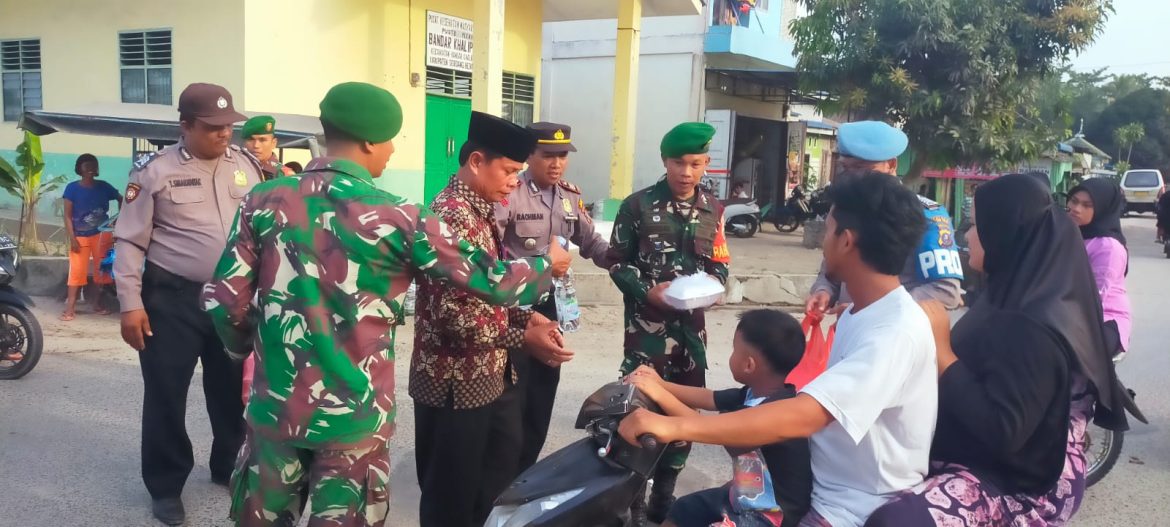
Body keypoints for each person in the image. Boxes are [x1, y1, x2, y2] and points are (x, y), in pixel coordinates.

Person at [202, 84, 568, 527]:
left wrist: (249, 352)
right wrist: (546, 264)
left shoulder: (262, 200)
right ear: (370, 142)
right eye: (391, 140)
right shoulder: (400, 217)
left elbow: (224, 301)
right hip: (354, 422)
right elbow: (492, 281)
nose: (392, 151)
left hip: (275, 413)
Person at [619, 171, 939, 527]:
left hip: (847, 509)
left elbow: (804, 414)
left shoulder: (894, 332)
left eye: (828, 229)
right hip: (810, 485)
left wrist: (674, 427)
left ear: (846, 241)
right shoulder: (859, 313)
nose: (822, 242)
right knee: (689, 511)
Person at [865, 173, 1137, 526]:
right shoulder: (1011, 290)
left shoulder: (1033, 323)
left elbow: (1002, 430)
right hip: (991, 453)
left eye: (977, 225)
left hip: (1020, 481)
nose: (967, 236)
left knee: (894, 520)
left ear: (1005, 231)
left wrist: (945, 354)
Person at [113, 82, 263, 525]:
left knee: (230, 391)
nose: (224, 134)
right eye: (213, 127)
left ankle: (226, 466)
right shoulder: (154, 171)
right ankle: (165, 486)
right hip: (171, 299)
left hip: (232, 300)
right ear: (185, 126)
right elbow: (129, 240)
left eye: (229, 126)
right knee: (166, 394)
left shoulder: (248, 168)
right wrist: (129, 304)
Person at [411, 111, 571, 527]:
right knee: (452, 498)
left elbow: (488, 293)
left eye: (518, 171)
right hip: (453, 381)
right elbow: (454, 315)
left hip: (488, 375)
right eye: (509, 170)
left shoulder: (480, 208)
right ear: (476, 161)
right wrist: (523, 337)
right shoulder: (451, 216)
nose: (515, 181)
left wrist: (528, 320)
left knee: (493, 486)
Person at [606, 121, 732, 525]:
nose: (687, 172)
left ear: (706, 164)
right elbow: (617, 262)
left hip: (691, 335)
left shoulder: (714, 209)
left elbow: (719, 263)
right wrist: (648, 292)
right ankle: (634, 499)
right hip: (646, 334)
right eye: (679, 162)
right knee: (637, 411)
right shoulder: (637, 205)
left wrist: (714, 287)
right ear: (665, 161)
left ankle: (664, 495)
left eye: (696, 163)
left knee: (682, 418)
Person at [494, 121, 610, 471]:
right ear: (530, 155)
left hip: (552, 306)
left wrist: (628, 264)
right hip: (514, 306)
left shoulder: (570, 196)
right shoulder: (510, 193)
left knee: (542, 394)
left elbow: (592, 243)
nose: (557, 163)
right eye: (548, 155)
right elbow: (491, 252)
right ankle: (503, 471)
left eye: (562, 155)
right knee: (510, 394)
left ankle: (526, 469)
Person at [627, 309, 812, 527]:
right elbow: (708, 398)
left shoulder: (776, 412)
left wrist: (659, 394)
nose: (731, 355)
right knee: (685, 508)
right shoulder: (753, 393)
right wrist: (661, 383)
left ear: (749, 365)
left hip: (770, 515)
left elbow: (706, 428)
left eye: (734, 350)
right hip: (742, 495)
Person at [807, 121, 963, 314]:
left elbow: (946, 291)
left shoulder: (926, 214)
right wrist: (824, 291)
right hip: (849, 330)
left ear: (891, 164)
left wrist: (872, 310)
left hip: (898, 334)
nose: (853, 177)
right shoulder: (845, 208)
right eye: (845, 168)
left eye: (861, 167)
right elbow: (832, 265)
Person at [1066, 178, 1132, 357]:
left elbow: (1094, 297)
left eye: (1087, 205)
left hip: (1104, 318)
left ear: (1102, 208)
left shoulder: (1108, 247)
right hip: (1067, 309)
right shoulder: (1068, 232)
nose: (1077, 209)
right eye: (1074, 201)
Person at [61, 153, 121, 321]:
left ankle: (96, 304)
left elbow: (121, 198)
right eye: (87, 166)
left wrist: (120, 218)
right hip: (79, 236)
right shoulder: (72, 189)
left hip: (102, 235)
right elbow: (67, 215)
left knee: (101, 272)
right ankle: (70, 309)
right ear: (79, 169)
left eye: (93, 166)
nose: (91, 169)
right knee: (76, 272)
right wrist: (72, 238)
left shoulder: (104, 187)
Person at [241, 115, 295, 180]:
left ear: (274, 143)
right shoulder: (237, 169)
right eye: (251, 139)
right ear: (244, 143)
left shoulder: (285, 176)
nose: (256, 145)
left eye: (262, 140)